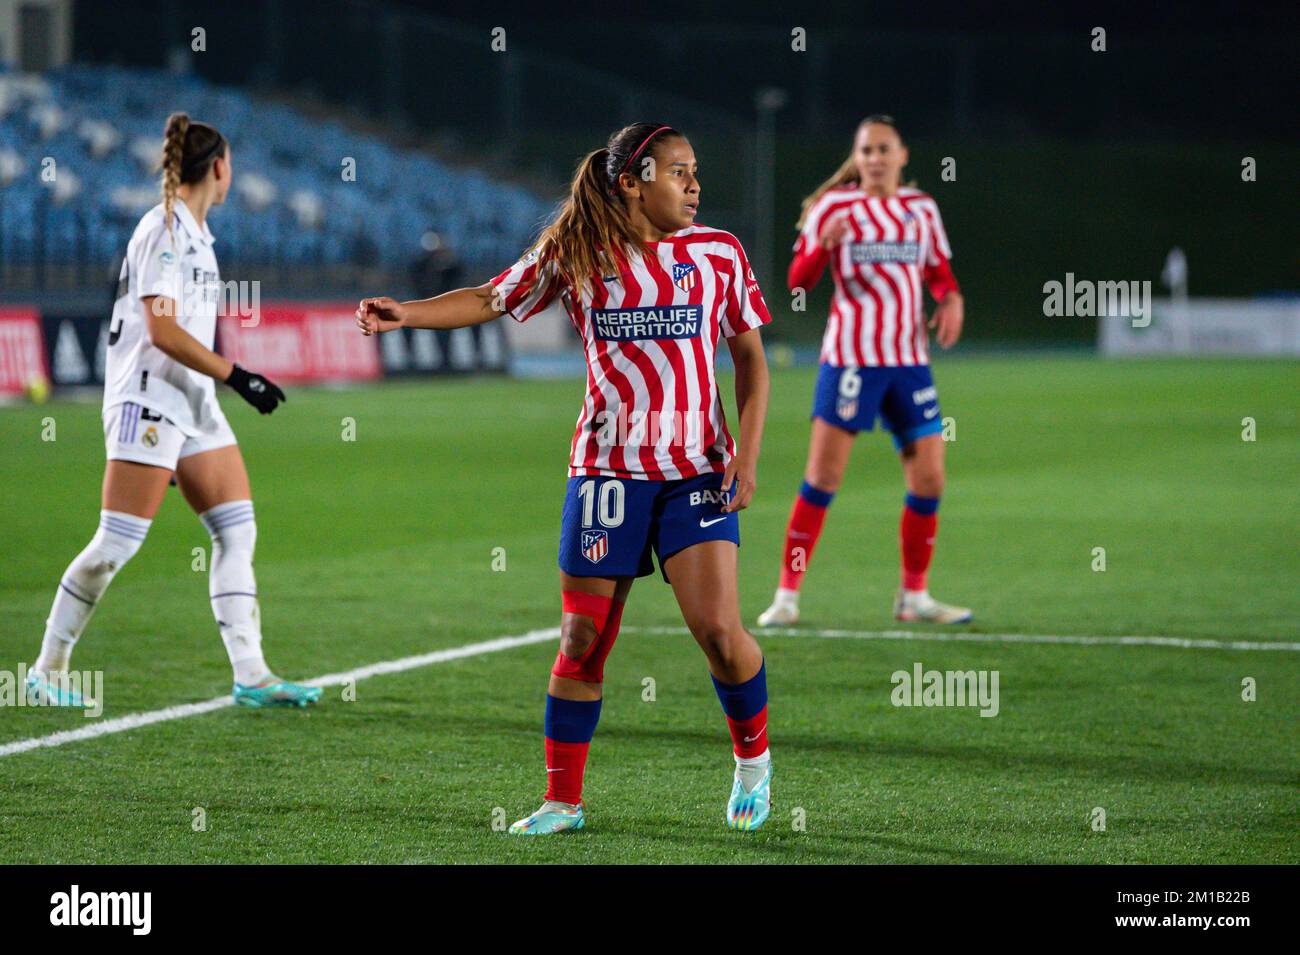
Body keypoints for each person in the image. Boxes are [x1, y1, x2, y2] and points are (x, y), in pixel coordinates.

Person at [357, 123, 774, 833]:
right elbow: (491, 299)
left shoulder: (718, 253)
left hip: (693, 471)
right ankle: (562, 800)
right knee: (581, 638)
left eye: (695, 171)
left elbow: (751, 361)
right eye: (679, 172)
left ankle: (753, 762)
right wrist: (406, 315)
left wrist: (748, 455)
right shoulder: (575, 251)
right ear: (632, 182)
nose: (694, 184)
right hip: (605, 472)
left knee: (719, 633)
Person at [25, 112, 321, 710]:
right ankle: (46, 668)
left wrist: (220, 383)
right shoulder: (163, 230)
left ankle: (253, 675)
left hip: (193, 401)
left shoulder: (197, 235)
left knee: (237, 530)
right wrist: (238, 375)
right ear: (218, 168)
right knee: (115, 545)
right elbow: (161, 330)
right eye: (231, 163)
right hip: (148, 399)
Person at [758, 115, 972, 627]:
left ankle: (913, 597)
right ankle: (786, 596)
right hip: (851, 361)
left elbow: (938, 271)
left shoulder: (922, 209)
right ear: (857, 158)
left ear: (901, 156)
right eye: (866, 150)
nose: (875, 158)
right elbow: (798, 281)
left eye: (883, 149)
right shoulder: (834, 208)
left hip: (909, 366)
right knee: (822, 479)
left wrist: (951, 299)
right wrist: (822, 245)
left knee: (930, 481)